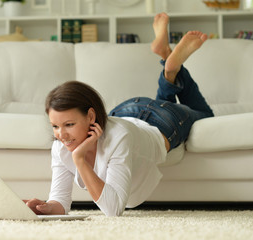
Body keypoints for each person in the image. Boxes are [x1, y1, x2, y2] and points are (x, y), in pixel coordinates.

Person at [24, 13, 214, 217]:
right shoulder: (60, 146)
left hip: (160, 120)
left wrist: (79, 159)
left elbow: (113, 210)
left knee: (205, 115)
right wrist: (44, 208)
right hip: (126, 111)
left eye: (69, 124)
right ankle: (168, 63)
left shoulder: (117, 138)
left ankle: (170, 66)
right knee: (164, 100)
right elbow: (60, 201)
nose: (61, 135)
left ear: (90, 117)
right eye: (55, 126)